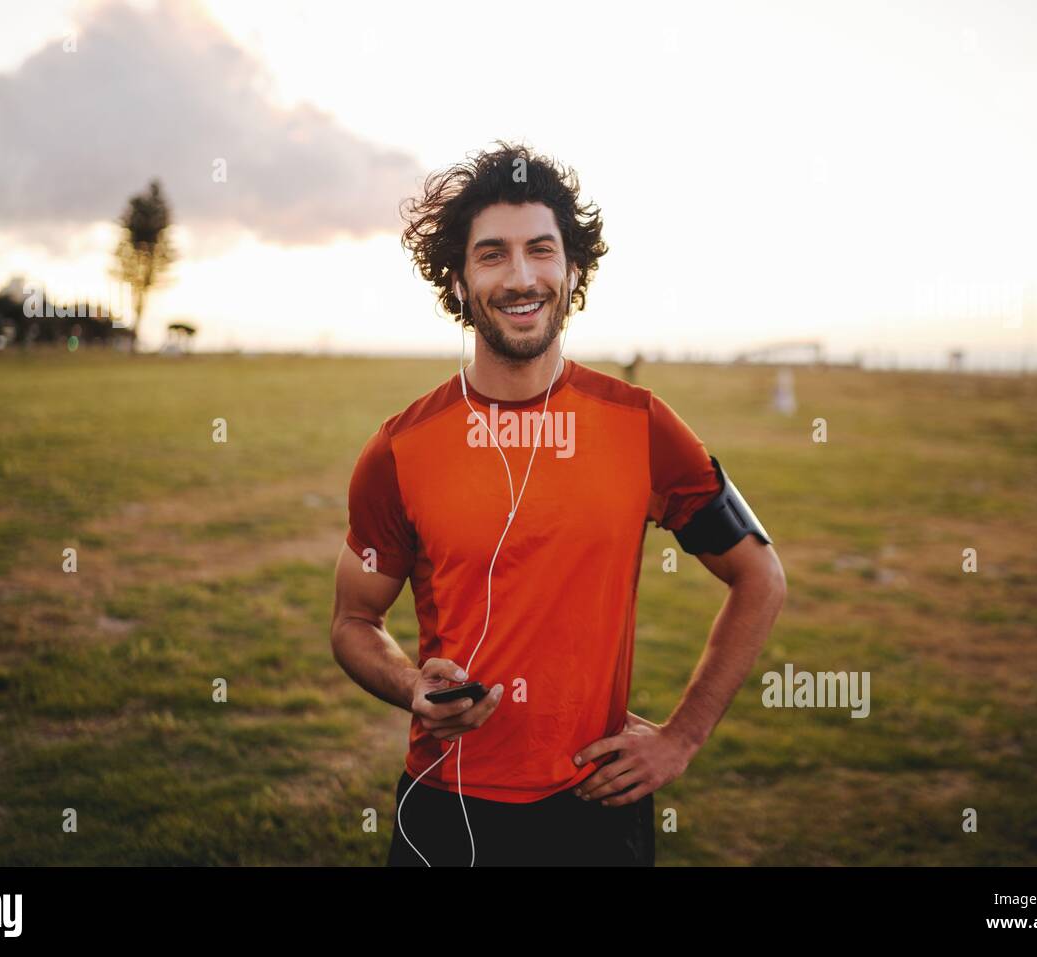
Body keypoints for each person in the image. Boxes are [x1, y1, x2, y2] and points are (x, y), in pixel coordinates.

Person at [331, 141, 786, 866]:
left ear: (573, 272)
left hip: (595, 811)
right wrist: (410, 683)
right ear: (457, 279)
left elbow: (761, 576)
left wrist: (682, 736)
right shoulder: (399, 449)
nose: (521, 276)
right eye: (492, 255)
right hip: (446, 809)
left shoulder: (643, 425)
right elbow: (354, 621)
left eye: (542, 250)